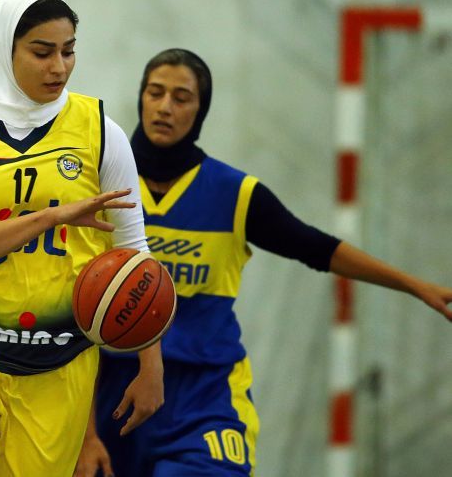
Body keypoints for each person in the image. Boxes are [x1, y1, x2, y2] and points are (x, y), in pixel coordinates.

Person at [76, 48, 452, 477]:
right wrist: (86, 433)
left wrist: (414, 285)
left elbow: (315, 247)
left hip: (204, 394)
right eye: (155, 92)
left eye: (181, 98)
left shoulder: (234, 193)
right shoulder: (100, 187)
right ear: (141, 97)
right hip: (112, 391)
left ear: (201, 111)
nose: (165, 107)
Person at [0, 0, 163, 477]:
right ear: (3, 51)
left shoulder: (101, 131)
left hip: (59, 365)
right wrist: (50, 217)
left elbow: (136, 254)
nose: (59, 67)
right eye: (42, 52)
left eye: (68, 51)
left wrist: (150, 365)